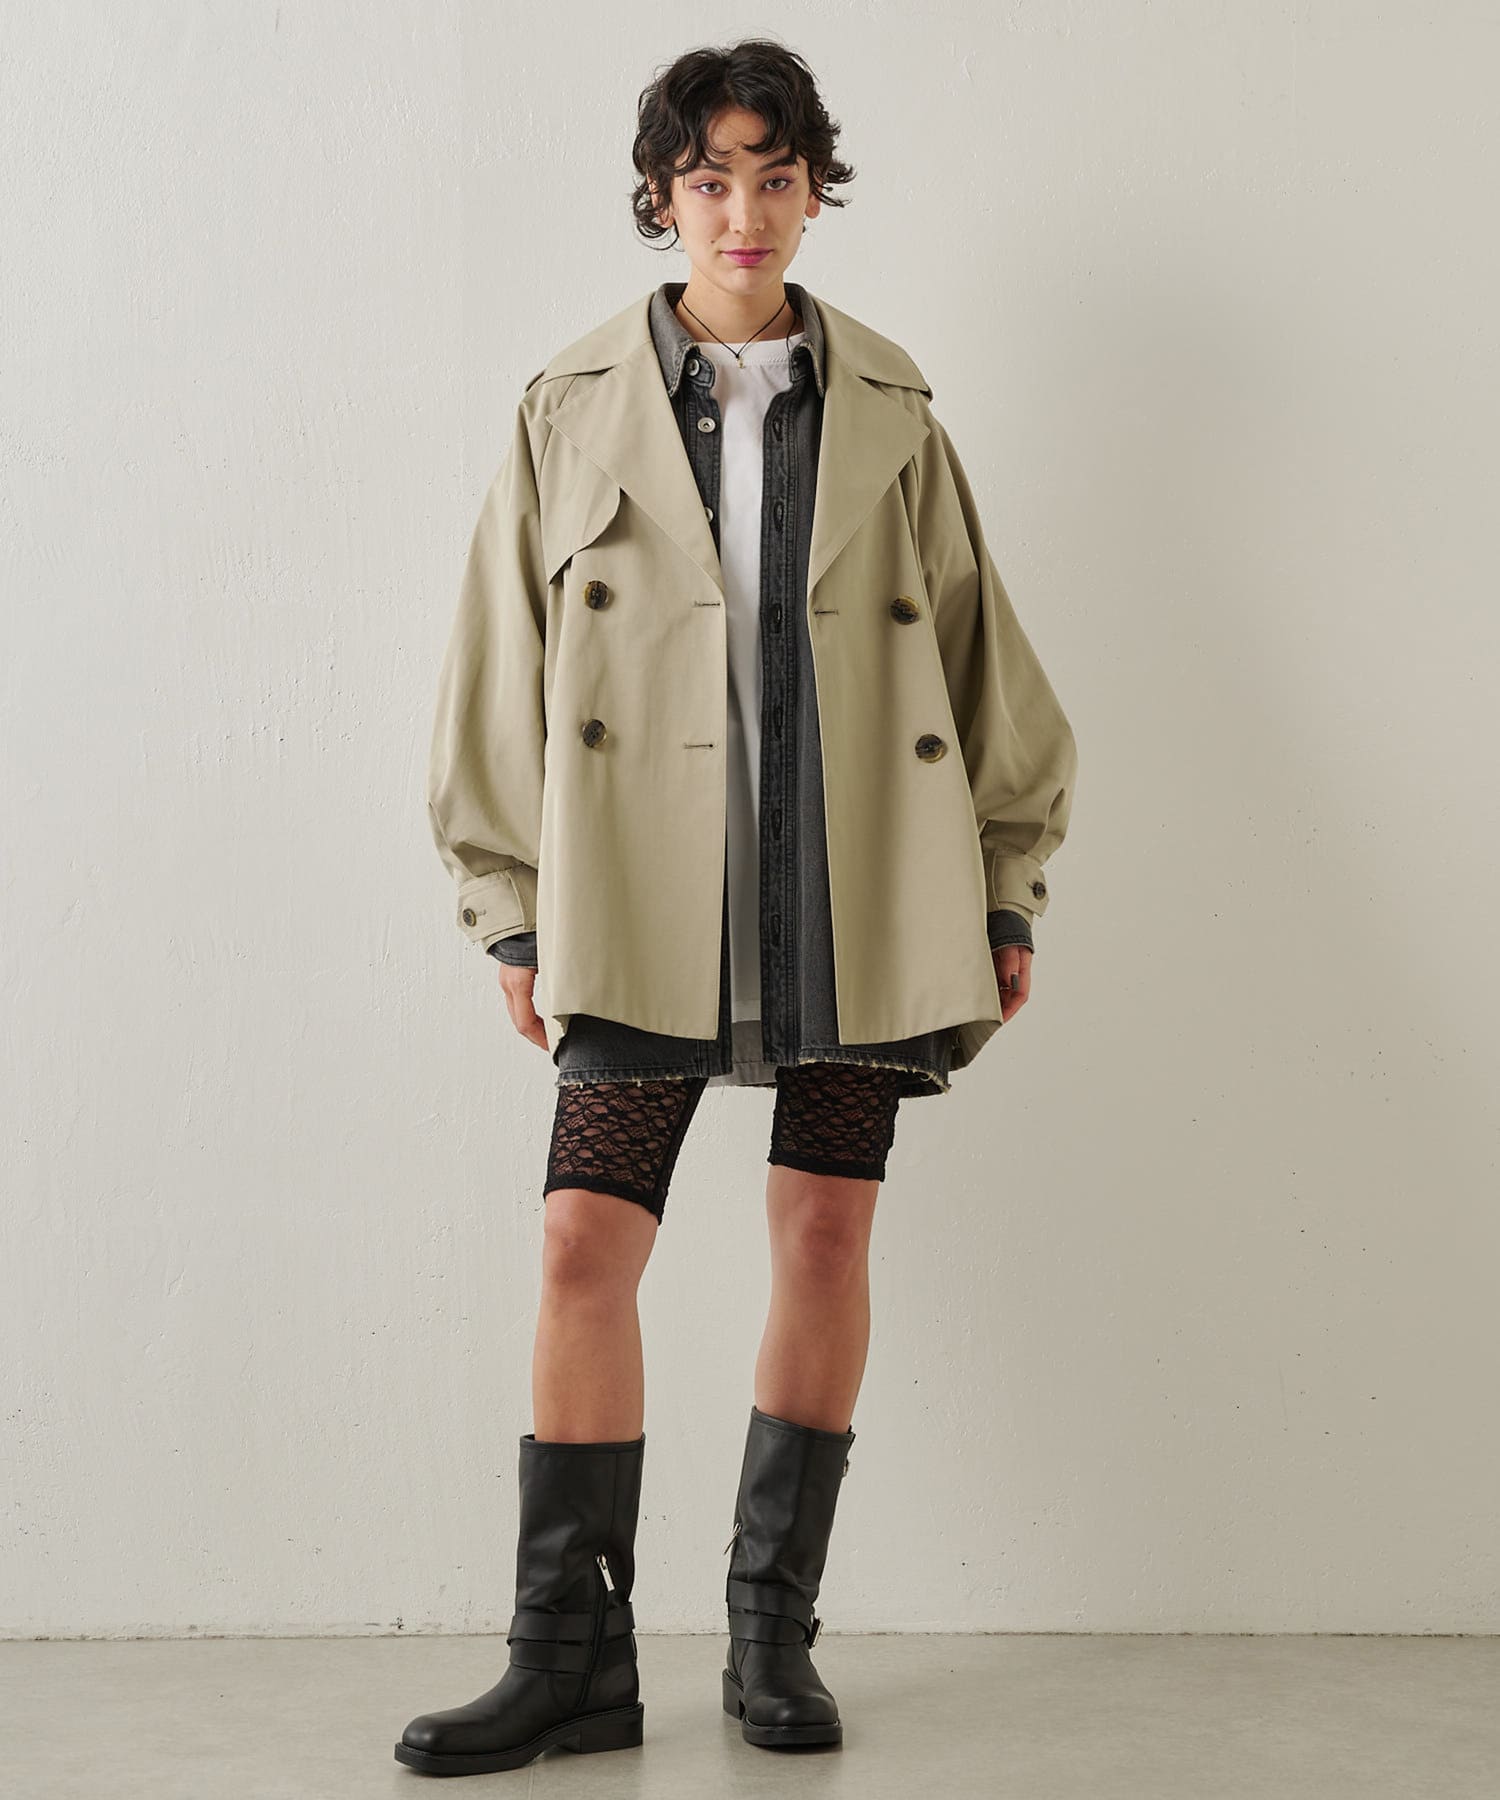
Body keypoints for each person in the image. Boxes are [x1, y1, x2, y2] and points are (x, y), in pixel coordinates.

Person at [396, 36, 1077, 1778]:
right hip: (644, 892)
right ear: (662, 196)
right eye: (711, 179)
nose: (745, 212)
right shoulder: (571, 408)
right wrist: (508, 904)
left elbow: (985, 661)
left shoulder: (892, 409)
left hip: (860, 887)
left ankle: (775, 1640)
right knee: (582, 1243)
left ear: (814, 190)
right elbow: (495, 668)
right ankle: (568, 1658)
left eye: (776, 177)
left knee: (825, 1234)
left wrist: (1005, 888)